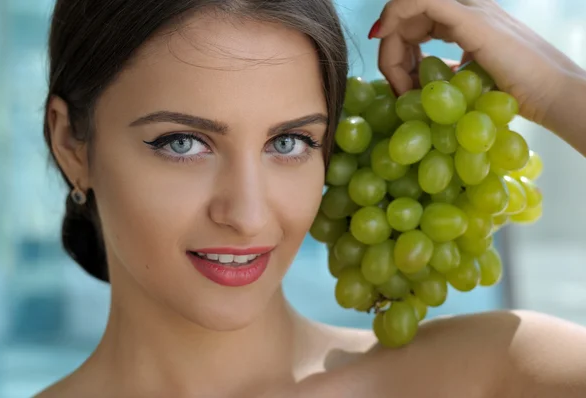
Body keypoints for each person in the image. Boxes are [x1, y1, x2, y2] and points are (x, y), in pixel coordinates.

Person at [37, 0, 586, 397]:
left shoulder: (497, 373)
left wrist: (562, 90)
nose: (248, 216)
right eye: (183, 144)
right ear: (71, 143)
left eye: (288, 142)